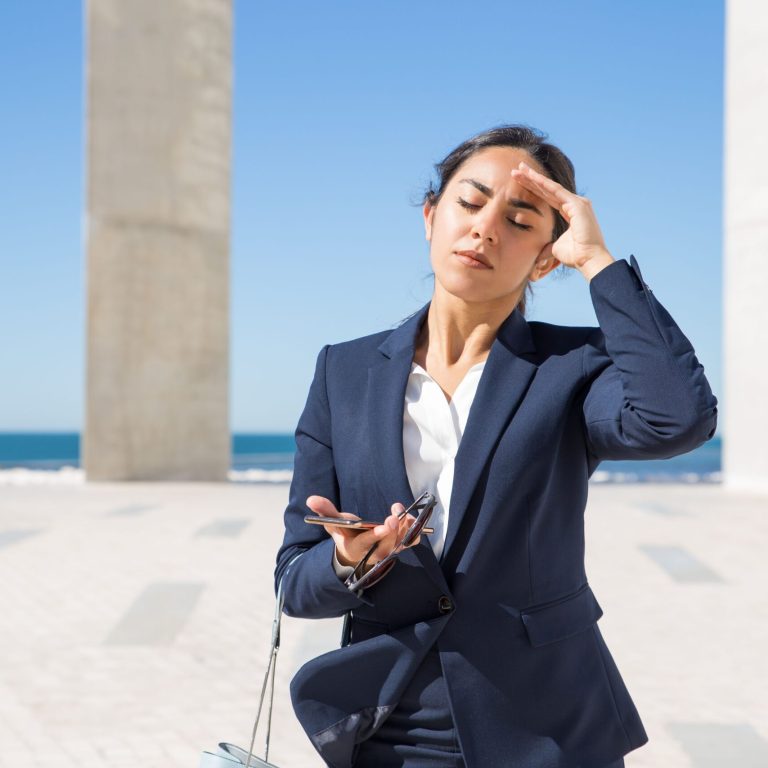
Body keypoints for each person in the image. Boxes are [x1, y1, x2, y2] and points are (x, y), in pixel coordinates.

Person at [274, 125, 718, 768]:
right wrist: (350, 563)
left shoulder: (574, 367)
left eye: (519, 219)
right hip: (392, 730)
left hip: (550, 729)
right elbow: (294, 579)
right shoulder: (341, 372)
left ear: (546, 257)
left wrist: (598, 262)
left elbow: (678, 419)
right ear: (431, 216)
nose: (485, 229)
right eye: (469, 202)